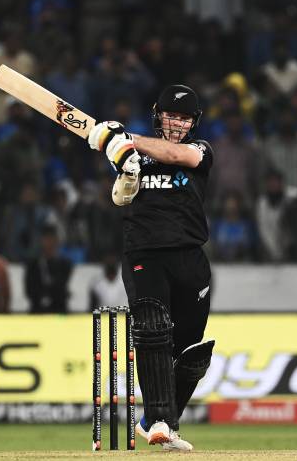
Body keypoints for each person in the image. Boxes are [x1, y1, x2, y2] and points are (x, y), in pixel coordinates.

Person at [87, 84, 216, 451]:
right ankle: (159, 420)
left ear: (194, 122)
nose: (176, 123)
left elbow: (179, 156)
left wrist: (126, 138)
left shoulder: (201, 150)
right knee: (153, 328)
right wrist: (121, 158)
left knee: (191, 351)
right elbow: (119, 197)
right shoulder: (134, 156)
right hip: (144, 253)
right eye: (171, 115)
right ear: (158, 114)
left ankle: (156, 420)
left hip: (190, 255)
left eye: (184, 117)